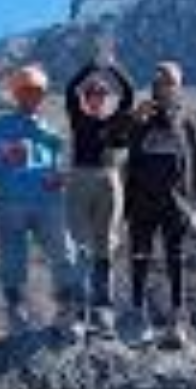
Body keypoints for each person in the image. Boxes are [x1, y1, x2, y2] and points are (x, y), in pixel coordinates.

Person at [0, 64, 81, 341]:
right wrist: (3, 156)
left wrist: (60, 177)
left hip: (49, 202)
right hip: (11, 202)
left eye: (38, 91)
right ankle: (17, 315)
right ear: (16, 93)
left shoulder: (50, 130)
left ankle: (67, 315)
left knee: (65, 254)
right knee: (13, 260)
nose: (33, 96)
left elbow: (60, 163)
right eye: (26, 90)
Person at [125, 61, 196, 350]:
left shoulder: (185, 122)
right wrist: (132, 120)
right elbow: (116, 142)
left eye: (169, 82)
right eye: (159, 82)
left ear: (178, 87)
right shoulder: (141, 117)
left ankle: (177, 321)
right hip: (141, 201)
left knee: (176, 260)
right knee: (140, 257)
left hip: (176, 203)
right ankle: (138, 317)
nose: (163, 87)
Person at [64, 49, 136, 336]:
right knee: (79, 243)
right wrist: (91, 66)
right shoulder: (78, 117)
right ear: (86, 98)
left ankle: (103, 308)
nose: (97, 98)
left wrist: (113, 68)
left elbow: (129, 94)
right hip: (80, 178)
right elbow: (70, 90)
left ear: (106, 98)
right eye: (92, 94)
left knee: (106, 243)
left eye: (102, 94)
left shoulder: (115, 120)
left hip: (108, 179)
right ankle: (78, 309)